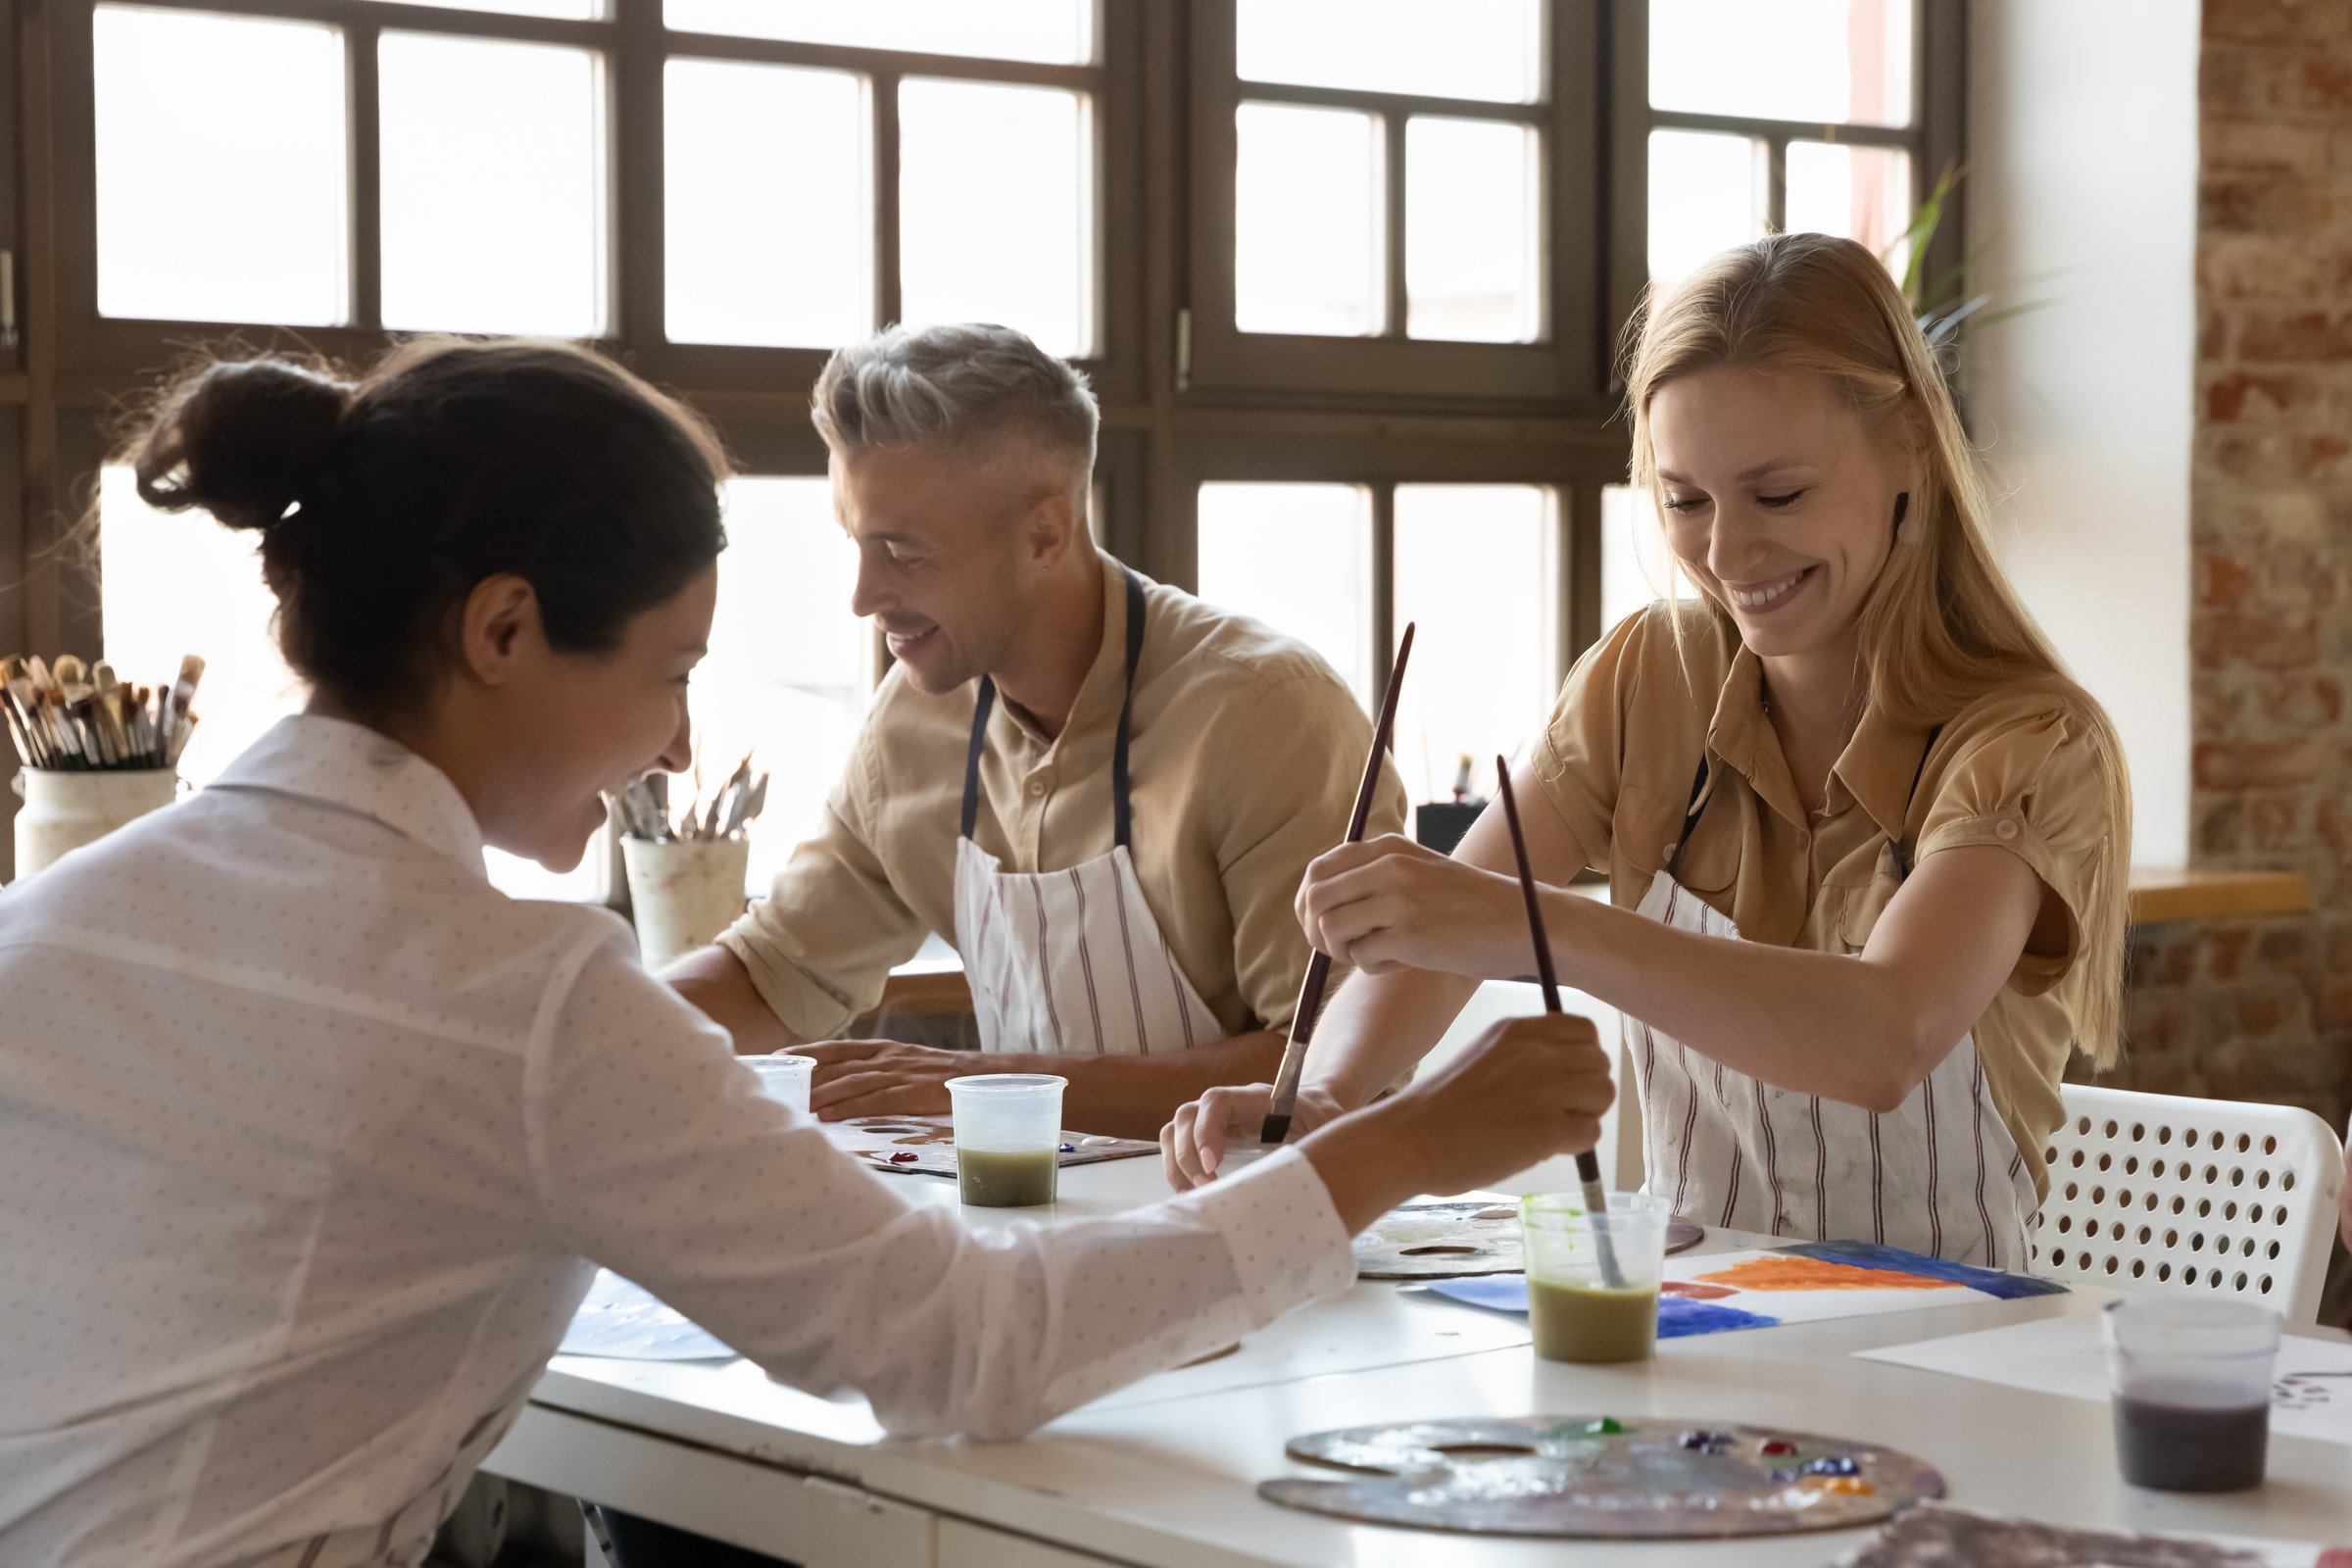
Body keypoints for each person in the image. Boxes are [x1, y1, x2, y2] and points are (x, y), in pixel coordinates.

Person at [0, 339, 1613, 1568]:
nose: (686, 733)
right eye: (672, 666)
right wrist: (1412, 1145)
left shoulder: (64, 915)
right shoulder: (519, 995)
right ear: (501, 634)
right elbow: (969, 1345)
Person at [1164, 232, 2132, 1272]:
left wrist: (1546, 930)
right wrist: (1329, 1095)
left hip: (1952, 1353)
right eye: (1685, 501)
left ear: (1910, 446)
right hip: (1684, 1319)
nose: (1728, 553)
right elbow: (1444, 939)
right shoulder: (1650, 675)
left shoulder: (2033, 739)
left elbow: (1882, 1039)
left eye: (1778, 494)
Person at [665, 323, 1404, 1139]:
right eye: (856, 545)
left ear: (1044, 535)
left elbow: (1337, 1070)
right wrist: (571, 1038)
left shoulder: (1265, 713)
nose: (863, 596)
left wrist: (977, 1084)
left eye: (900, 552)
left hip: (1261, 1228)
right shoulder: (913, 721)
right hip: (1034, 1233)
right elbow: (776, 971)